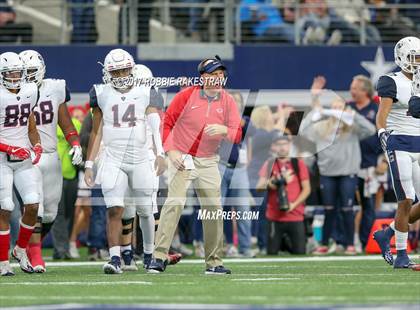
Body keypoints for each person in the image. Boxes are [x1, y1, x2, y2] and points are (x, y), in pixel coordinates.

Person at [148, 55, 242, 275]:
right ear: (203, 77)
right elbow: (166, 123)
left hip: (209, 159)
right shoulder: (186, 96)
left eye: (221, 74)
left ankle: (214, 262)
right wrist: (170, 151)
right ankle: (159, 256)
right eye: (213, 75)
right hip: (183, 155)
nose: (219, 78)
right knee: (175, 203)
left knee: (214, 210)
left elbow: (237, 134)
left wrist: (224, 130)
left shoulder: (227, 100)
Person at [84, 49, 165, 274]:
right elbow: (96, 132)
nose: (120, 75)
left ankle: (149, 255)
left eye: (124, 70)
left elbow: (154, 127)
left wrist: (161, 153)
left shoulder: (145, 91)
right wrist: (90, 164)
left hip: (140, 157)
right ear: (107, 73)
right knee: (114, 209)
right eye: (115, 71)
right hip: (113, 157)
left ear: (132, 69)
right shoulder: (100, 93)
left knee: (146, 209)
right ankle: (115, 258)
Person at [19, 50, 83, 272]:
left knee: (50, 213)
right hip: (28, 157)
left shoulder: (55, 88)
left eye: (32, 72)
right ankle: (36, 256)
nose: (28, 77)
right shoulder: (13, 92)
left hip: (52, 156)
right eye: (24, 72)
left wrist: (75, 144)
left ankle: (25, 246)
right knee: (34, 205)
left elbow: (65, 123)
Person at [300, 76, 376, 255]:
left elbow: (371, 130)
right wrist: (314, 111)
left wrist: (353, 115)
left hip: (348, 172)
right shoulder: (322, 127)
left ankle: (350, 244)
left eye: (339, 108)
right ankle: (325, 243)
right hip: (327, 173)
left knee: (348, 209)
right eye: (334, 108)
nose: (336, 111)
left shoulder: (352, 128)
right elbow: (302, 130)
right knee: (329, 210)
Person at [373, 37, 420, 269]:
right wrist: (382, 131)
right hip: (399, 142)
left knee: (413, 203)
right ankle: (401, 255)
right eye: (413, 57)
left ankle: (388, 233)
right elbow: (382, 113)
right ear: (401, 57)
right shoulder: (391, 81)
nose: (416, 62)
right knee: (406, 199)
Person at [0, 52, 42, 276]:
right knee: (5, 206)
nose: (15, 77)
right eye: (10, 73)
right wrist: (8, 147)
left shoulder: (30, 91)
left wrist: (37, 145)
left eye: (18, 72)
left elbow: (31, 124)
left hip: (23, 157)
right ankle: (2, 262)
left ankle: (20, 249)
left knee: (33, 204)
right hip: (1, 159)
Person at [256, 134, 311, 255]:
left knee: (300, 254)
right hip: (274, 218)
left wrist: (294, 205)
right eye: (279, 145)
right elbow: (258, 187)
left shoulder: (298, 164)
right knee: (272, 255)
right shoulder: (269, 163)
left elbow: (307, 189)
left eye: (285, 144)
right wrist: (270, 183)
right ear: (273, 147)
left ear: (289, 146)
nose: (282, 148)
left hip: (296, 216)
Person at [347, 75, 382, 251]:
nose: (351, 91)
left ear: (365, 91)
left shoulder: (376, 109)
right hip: (347, 164)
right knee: (345, 204)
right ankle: (346, 242)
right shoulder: (347, 108)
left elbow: (383, 135)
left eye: (355, 88)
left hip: (368, 165)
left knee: (368, 205)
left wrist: (382, 159)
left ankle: (366, 240)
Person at [218, 91, 253, 257]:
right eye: (232, 100)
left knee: (243, 210)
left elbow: (248, 134)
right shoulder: (217, 117)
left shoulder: (245, 121)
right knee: (216, 210)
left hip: (239, 169)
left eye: (237, 101)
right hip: (219, 166)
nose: (235, 103)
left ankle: (245, 248)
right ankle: (218, 247)